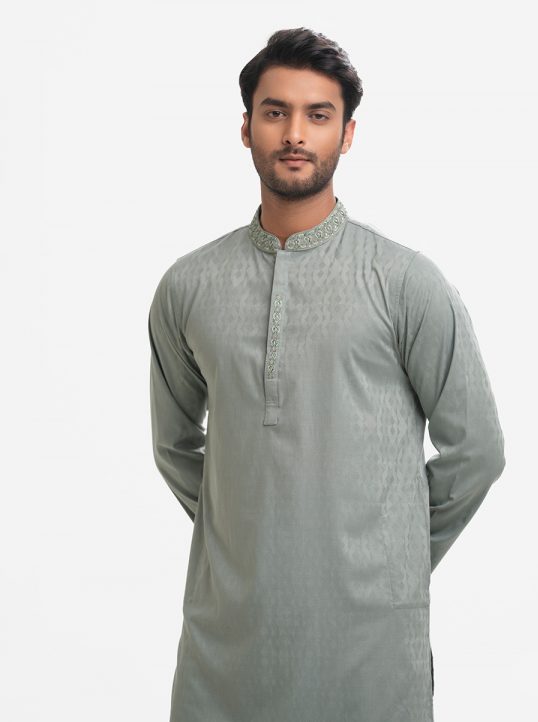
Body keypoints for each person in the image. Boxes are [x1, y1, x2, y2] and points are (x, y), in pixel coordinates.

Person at [148, 26, 506, 722]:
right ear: (246, 127)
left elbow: (479, 452)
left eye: (318, 115)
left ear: (347, 135)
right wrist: (251, 538)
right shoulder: (188, 287)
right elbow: (173, 445)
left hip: (373, 653)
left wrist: (386, 554)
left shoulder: (405, 282)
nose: (295, 134)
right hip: (225, 653)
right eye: (275, 112)